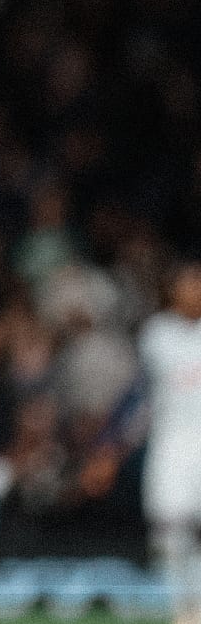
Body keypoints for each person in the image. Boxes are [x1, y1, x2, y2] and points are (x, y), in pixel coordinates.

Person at [138, 259, 201, 624]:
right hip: (171, 444)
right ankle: (179, 608)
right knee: (168, 528)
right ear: (174, 289)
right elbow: (140, 394)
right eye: (190, 283)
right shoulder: (156, 334)